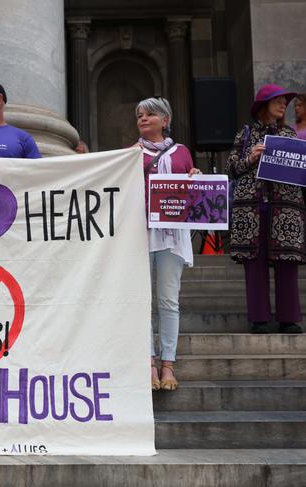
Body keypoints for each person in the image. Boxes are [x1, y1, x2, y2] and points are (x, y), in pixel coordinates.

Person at [134, 97, 200, 391]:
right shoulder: (131, 153)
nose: (143, 118)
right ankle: (148, 363)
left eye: (150, 114)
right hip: (140, 232)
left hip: (172, 234)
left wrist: (196, 177)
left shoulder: (182, 152)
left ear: (165, 120)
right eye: (139, 115)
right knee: (141, 301)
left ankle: (168, 365)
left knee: (168, 300)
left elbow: (193, 188)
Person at [227, 84, 304, 334]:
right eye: (278, 101)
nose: (284, 105)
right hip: (251, 206)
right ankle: (259, 318)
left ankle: (288, 318)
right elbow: (232, 168)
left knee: (286, 262)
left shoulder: (291, 136)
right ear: (263, 106)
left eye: (285, 102)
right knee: (254, 262)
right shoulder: (246, 134)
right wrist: (251, 157)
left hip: (285, 207)